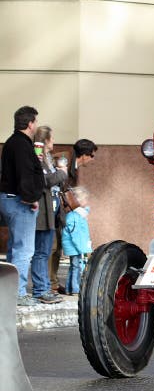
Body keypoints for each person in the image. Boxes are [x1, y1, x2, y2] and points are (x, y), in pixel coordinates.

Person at [0, 106, 46, 307]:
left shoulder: (13, 142)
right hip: (19, 202)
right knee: (24, 250)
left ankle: (8, 291)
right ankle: (18, 293)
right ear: (30, 123)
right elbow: (25, 174)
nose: (35, 125)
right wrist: (31, 198)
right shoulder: (21, 144)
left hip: (10, 199)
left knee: (14, 249)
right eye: (35, 122)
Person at [50, 138, 97, 294]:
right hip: (54, 209)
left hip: (62, 211)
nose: (92, 160)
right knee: (53, 247)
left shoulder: (73, 166)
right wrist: (74, 208)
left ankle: (54, 283)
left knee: (57, 249)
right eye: (92, 156)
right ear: (84, 155)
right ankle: (51, 283)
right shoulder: (65, 161)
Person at [30, 126, 68, 304]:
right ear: (45, 140)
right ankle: (40, 289)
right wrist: (62, 173)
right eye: (51, 139)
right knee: (41, 252)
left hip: (52, 210)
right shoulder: (37, 157)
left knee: (45, 251)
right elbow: (45, 180)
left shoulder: (48, 159)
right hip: (43, 210)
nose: (53, 142)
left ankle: (44, 287)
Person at [61, 186, 91, 295]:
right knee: (77, 267)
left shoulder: (80, 214)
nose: (87, 202)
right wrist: (81, 247)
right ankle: (75, 289)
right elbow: (76, 235)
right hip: (76, 246)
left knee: (74, 267)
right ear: (77, 200)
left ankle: (70, 288)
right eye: (85, 199)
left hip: (77, 245)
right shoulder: (75, 216)